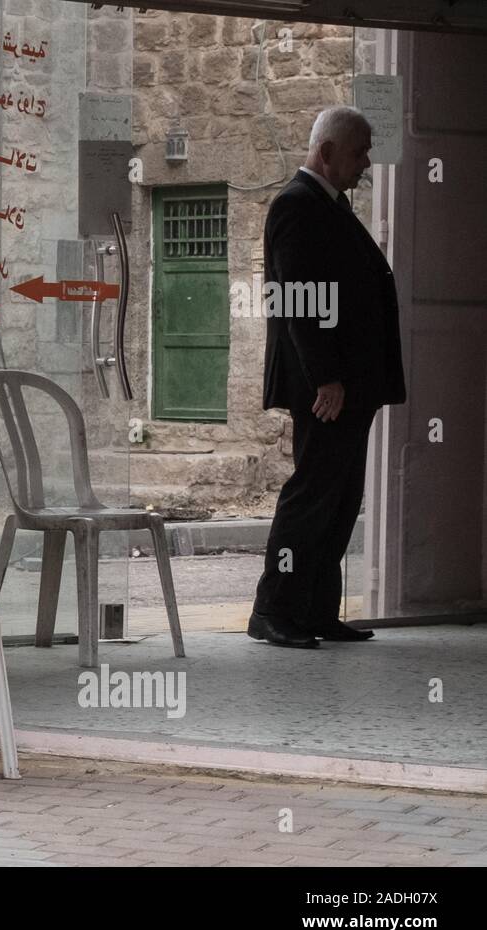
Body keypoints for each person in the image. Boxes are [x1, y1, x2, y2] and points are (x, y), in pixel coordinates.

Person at [249, 106, 406, 649]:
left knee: (339, 499)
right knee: (312, 496)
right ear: (327, 152)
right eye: (359, 152)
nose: (365, 162)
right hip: (326, 390)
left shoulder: (327, 205)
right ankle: (273, 610)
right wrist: (327, 378)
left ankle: (316, 610)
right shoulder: (297, 206)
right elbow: (298, 301)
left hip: (346, 386)